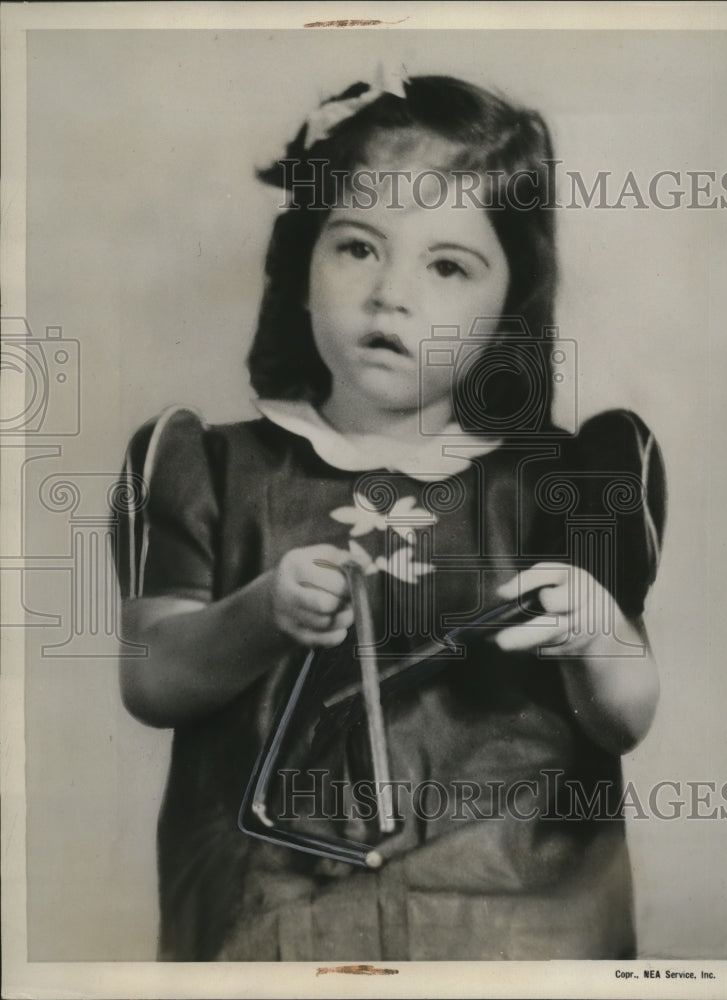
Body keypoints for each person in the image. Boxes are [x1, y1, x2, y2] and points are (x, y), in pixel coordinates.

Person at [114, 72, 666, 962]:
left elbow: (626, 717)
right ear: (300, 265)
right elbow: (149, 678)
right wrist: (258, 614)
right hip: (275, 927)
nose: (390, 294)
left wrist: (597, 631)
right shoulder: (204, 464)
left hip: (522, 932)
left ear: (507, 312)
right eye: (357, 248)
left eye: (447, 265)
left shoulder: (576, 478)